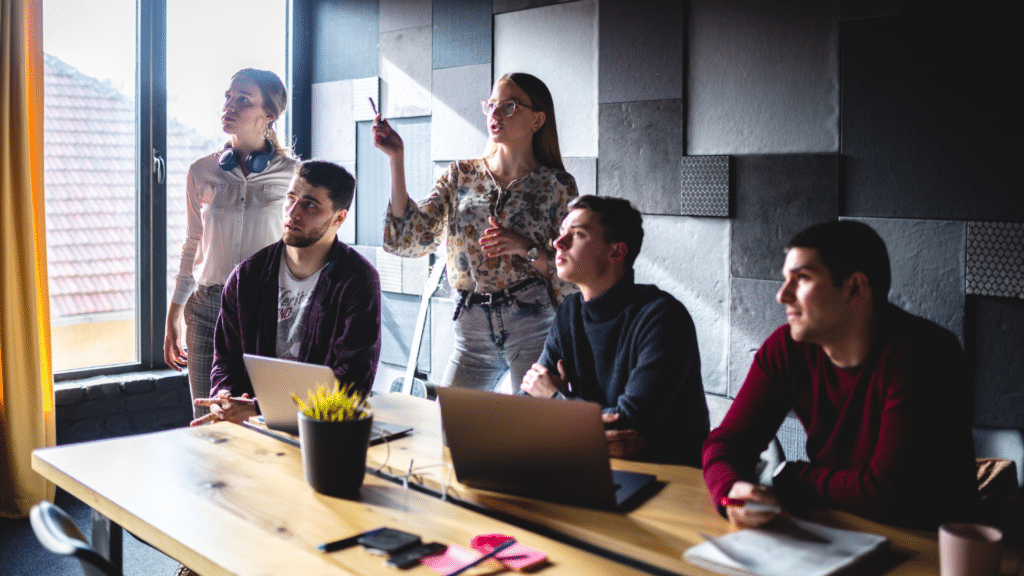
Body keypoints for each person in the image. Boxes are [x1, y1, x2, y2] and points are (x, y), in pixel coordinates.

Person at [702, 220, 978, 531]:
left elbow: (886, 494)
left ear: (854, 288)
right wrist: (730, 493)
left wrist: (792, 476)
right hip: (838, 530)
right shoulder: (788, 348)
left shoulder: (925, 354)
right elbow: (725, 443)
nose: (782, 295)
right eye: (785, 279)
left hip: (929, 547)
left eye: (802, 278)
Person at [374, 72, 578, 393]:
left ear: (538, 119)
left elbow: (571, 271)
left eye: (509, 107)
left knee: (531, 433)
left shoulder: (556, 185)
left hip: (530, 321)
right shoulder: (461, 174)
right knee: (450, 427)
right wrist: (396, 159)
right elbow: (413, 236)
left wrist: (526, 248)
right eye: (491, 105)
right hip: (470, 327)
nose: (495, 115)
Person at [521, 196, 709, 466]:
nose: (557, 243)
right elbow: (529, 396)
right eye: (561, 233)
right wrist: (573, 418)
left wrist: (556, 399)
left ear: (616, 253)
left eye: (577, 234)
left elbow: (628, 425)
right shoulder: (569, 312)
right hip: (595, 463)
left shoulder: (663, 318)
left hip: (668, 478)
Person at [190, 160, 381, 426]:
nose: (292, 212)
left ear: (339, 217)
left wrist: (260, 408)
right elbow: (225, 362)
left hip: (320, 431)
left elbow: (352, 385)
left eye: (310, 204)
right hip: (248, 429)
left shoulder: (357, 281)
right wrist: (225, 398)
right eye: (290, 198)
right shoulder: (246, 277)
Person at [164, 69, 298, 421]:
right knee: (206, 420)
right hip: (207, 308)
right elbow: (193, 243)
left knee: (261, 417)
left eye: (243, 100)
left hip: (268, 308)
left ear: (268, 115)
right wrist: (175, 310)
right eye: (228, 97)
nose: (230, 106)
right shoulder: (201, 171)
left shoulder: (294, 175)